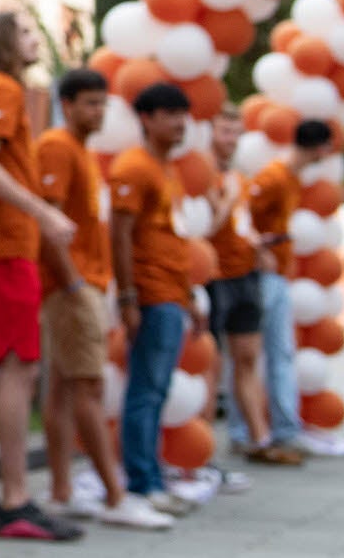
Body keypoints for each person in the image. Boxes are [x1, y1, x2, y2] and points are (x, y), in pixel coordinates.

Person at [0, 13, 81, 542]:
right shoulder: (4, 88)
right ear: (5, 42)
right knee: (15, 370)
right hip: (8, 247)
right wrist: (43, 212)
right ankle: (16, 499)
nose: (36, 40)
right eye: (27, 33)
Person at [35, 70, 170, 531]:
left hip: (81, 283)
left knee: (63, 388)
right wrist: (73, 281)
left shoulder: (81, 151)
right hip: (72, 285)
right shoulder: (56, 145)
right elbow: (46, 218)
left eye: (102, 104)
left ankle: (60, 493)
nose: (98, 112)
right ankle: (116, 496)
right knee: (89, 388)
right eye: (89, 103)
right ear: (67, 104)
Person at [109, 81, 198, 519]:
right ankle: (141, 484)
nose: (180, 123)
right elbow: (119, 235)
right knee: (144, 392)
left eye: (183, 114)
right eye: (169, 114)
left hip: (172, 294)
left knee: (156, 391)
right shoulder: (134, 166)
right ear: (146, 118)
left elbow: (173, 237)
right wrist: (128, 297)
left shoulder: (167, 168)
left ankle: (153, 478)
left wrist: (189, 297)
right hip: (149, 293)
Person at [206, 109, 297, 466]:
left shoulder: (238, 178)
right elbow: (208, 226)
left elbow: (240, 226)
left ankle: (259, 440)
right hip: (216, 277)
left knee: (247, 358)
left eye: (235, 133)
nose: (230, 139)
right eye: (224, 131)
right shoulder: (204, 177)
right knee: (211, 364)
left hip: (246, 275)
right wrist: (227, 198)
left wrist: (259, 244)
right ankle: (202, 454)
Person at [244, 118, 336, 458]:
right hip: (263, 275)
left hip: (276, 274)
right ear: (318, 146)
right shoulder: (273, 178)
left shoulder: (290, 178)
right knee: (263, 355)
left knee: (271, 355)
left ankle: (274, 428)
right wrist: (259, 250)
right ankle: (276, 429)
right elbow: (243, 217)